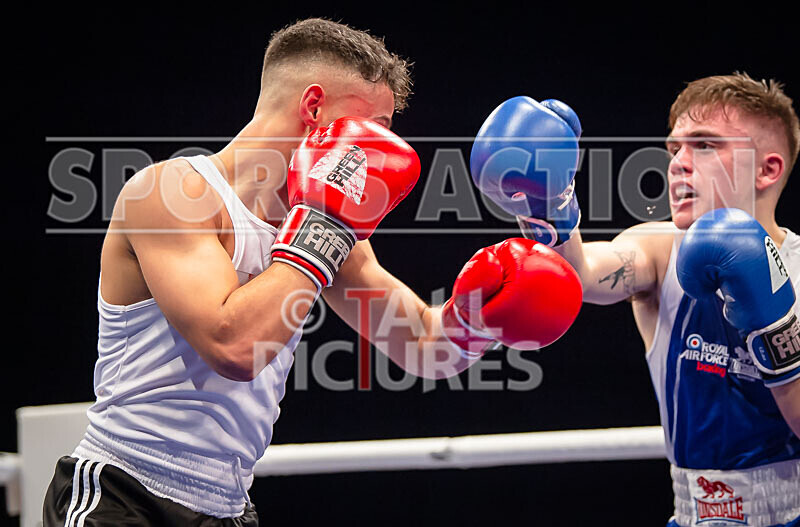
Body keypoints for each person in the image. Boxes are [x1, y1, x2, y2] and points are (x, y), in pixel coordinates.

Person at [42, 18, 583, 526]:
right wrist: (324, 227)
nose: (381, 151)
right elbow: (233, 346)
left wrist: (480, 313)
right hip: (120, 494)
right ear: (315, 106)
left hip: (225, 505)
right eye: (373, 128)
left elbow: (422, 342)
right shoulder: (172, 194)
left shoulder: (327, 230)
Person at [471, 73, 800, 526]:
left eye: (704, 145)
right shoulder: (662, 250)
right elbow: (581, 275)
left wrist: (775, 325)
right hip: (687, 514)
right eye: (674, 148)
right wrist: (548, 203)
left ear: (767, 169)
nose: (679, 163)